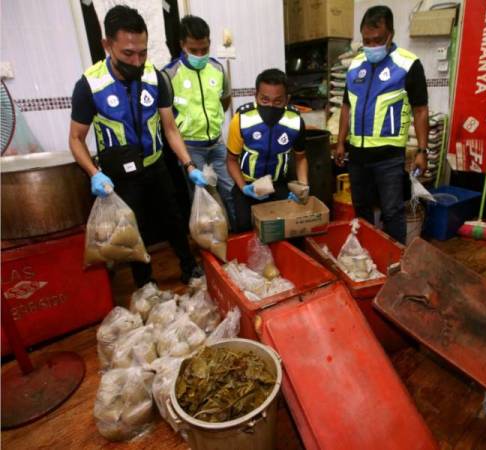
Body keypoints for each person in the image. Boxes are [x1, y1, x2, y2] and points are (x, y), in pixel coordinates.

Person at [69, 5, 208, 287]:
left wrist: (189, 164)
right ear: (107, 45)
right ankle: (145, 283)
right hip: (119, 173)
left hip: (155, 164)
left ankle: (188, 266)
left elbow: (170, 129)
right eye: (128, 54)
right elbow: (75, 139)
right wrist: (94, 173)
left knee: (173, 218)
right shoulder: (90, 85)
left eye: (143, 53)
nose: (137, 61)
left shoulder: (155, 78)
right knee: (132, 229)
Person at [334, 5, 428, 244]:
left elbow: (420, 110)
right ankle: (367, 253)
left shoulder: (408, 64)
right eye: (366, 40)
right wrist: (340, 142)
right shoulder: (355, 66)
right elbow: (346, 106)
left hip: (389, 157)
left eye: (377, 40)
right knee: (361, 208)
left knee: (392, 211)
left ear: (390, 36)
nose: (371, 46)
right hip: (358, 156)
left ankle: (395, 260)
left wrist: (422, 151)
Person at [162, 15, 236, 225]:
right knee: (201, 196)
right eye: (194, 50)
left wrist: (212, 121)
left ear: (209, 43)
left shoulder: (218, 69)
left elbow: (225, 100)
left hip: (217, 143)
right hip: (190, 148)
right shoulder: (169, 74)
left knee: (230, 190)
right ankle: (209, 242)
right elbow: (167, 121)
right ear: (182, 45)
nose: (200, 54)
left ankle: (237, 234)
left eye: (204, 49)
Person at [226, 68, 309, 232]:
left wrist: (303, 187)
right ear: (256, 96)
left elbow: (301, 158)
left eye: (278, 101)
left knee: (284, 230)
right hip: (247, 185)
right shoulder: (241, 119)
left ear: (287, 99)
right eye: (264, 100)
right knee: (244, 228)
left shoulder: (295, 122)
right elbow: (231, 160)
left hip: (278, 185)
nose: (270, 106)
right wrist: (243, 188)